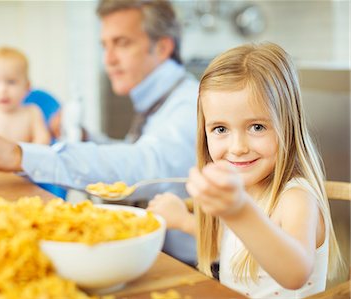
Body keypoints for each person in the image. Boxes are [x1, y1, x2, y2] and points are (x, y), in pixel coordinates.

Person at [0, 0, 199, 266]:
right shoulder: (158, 100)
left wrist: (19, 154)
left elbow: (146, 165)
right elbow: (137, 152)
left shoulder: (191, 104)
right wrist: (84, 136)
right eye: (104, 46)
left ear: (163, 47)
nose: (108, 60)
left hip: (191, 267)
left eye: (122, 43)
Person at [147, 42, 344, 298]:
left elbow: (295, 273)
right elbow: (239, 245)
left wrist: (239, 211)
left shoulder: (296, 198)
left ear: (288, 126)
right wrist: (184, 222)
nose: (237, 147)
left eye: (257, 127)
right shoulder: (247, 188)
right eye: (220, 129)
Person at [0, 47, 50, 145]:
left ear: (27, 87)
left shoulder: (32, 113)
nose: (2, 89)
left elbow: (43, 141)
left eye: (11, 82)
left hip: (25, 160)